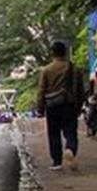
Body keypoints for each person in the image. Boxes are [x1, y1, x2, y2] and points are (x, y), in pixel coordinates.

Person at [36, 40, 85, 171]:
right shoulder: (74, 69)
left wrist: (40, 108)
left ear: (52, 53)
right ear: (65, 52)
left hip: (52, 105)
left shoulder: (46, 70)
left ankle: (56, 161)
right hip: (69, 104)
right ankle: (70, 149)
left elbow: (41, 90)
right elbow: (81, 90)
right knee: (71, 132)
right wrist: (79, 106)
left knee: (54, 133)